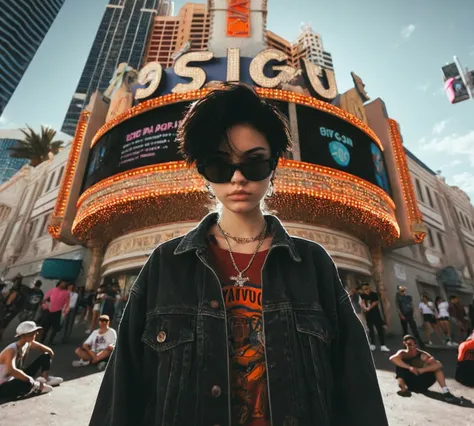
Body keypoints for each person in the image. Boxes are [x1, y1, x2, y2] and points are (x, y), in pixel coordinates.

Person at [89, 83, 389, 425]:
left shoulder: (313, 263)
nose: (237, 178)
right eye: (220, 165)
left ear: (274, 164)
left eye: (254, 163)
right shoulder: (165, 263)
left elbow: (357, 387)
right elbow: (123, 387)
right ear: (202, 170)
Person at [389, 335, 463, 404]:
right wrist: (409, 367)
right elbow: (392, 358)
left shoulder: (422, 354)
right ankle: (403, 389)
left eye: (412, 344)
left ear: (415, 344)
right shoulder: (402, 353)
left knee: (437, 370)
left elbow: (438, 364)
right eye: (408, 344)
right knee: (399, 365)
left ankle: (446, 393)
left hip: (421, 381)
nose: (411, 346)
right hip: (409, 382)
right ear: (404, 344)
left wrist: (421, 369)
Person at [0, 321, 63, 400]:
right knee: (27, 383)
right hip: (2, 385)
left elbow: (50, 352)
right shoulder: (11, 350)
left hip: (12, 378)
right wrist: (29, 380)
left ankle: (45, 379)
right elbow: (11, 370)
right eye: (33, 333)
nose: (36, 334)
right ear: (23, 336)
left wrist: (37, 345)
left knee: (45, 355)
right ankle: (35, 387)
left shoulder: (28, 344)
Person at [361, 283, 390, 352]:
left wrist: (368, 308)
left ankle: (383, 345)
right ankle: (373, 345)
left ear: (369, 288)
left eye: (367, 288)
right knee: (371, 330)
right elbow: (362, 302)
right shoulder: (362, 295)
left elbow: (375, 303)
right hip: (368, 316)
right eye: (365, 289)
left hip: (376, 315)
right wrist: (364, 307)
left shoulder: (374, 294)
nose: (367, 290)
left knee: (380, 330)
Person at [39, 280, 70, 345]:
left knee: (56, 328)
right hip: (48, 311)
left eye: (65, 284)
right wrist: (43, 306)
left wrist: (65, 311)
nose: (63, 285)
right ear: (59, 284)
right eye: (62, 283)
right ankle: (42, 340)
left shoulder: (66, 293)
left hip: (57, 312)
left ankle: (51, 340)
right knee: (45, 327)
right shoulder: (52, 290)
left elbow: (67, 303)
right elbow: (45, 298)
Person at [0, 275, 26, 341]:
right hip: (12, 311)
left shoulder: (13, 292)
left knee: (2, 324)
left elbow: (8, 303)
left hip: (7, 310)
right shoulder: (21, 291)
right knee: (3, 325)